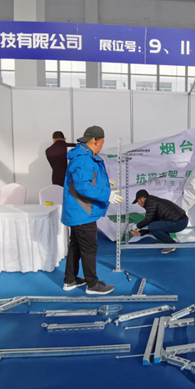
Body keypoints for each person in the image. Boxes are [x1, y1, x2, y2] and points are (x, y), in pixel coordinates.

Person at [61, 126, 123, 294]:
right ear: (96, 141)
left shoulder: (83, 154)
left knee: (75, 246)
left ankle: (70, 280)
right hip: (83, 211)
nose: (102, 145)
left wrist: (104, 183)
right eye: (102, 142)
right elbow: (83, 187)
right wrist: (106, 195)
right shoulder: (84, 159)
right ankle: (92, 285)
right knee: (89, 248)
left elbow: (88, 179)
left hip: (77, 211)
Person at [129, 189, 189, 254]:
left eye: (138, 202)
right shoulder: (153, 201)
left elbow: (148, 221)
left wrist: (136, 226)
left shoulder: (151, 203)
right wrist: (140, 233)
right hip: (180, 221)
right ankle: (166, 241)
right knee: (154, 225)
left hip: (179, 222)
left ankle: (171, 244)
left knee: (153, 226)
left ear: (142, 199)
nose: (139, 204)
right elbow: (153, 221)